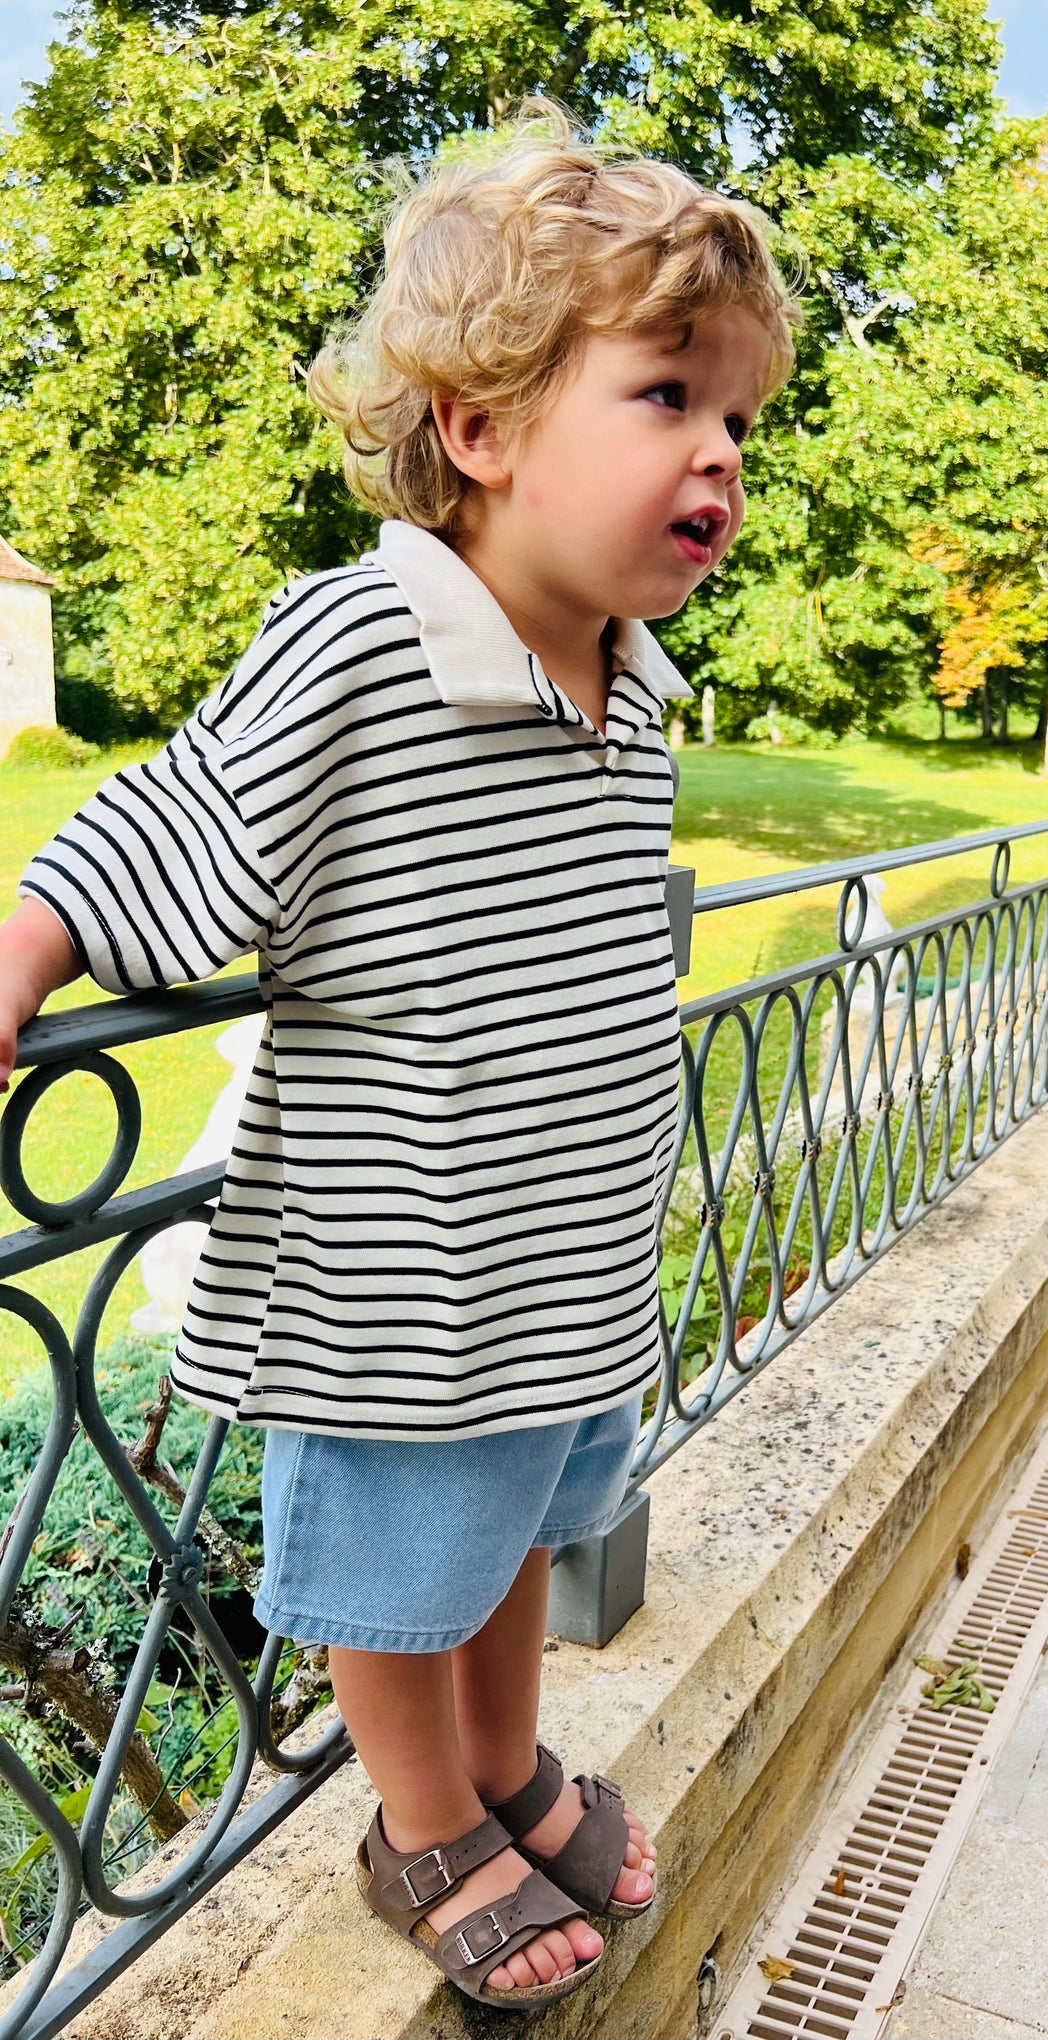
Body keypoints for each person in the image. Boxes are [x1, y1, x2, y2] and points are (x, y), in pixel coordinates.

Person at [0, 102, 799, 2012]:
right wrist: (27, 941)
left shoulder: (630, 684)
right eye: (669, 395)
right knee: (402, 1565)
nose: (719, 454)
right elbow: (182, 817)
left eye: (740, 419)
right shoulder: (368, 634)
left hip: (562, 1254)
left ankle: (509, 1768)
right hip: (402, 1267)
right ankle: (422, 1817)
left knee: (519, 1527)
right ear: (483, 427)